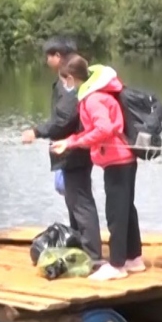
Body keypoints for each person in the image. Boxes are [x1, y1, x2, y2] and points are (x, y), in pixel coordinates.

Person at [50, 55, 144, 281]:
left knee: (116, 213)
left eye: (65, 80)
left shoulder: (92, 99)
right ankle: (134, 258)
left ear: (71, 78)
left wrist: (76, 142)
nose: (66, 85)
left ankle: (117, 265)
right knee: (126, 209)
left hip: (117, 159)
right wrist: (71, 141)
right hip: (124, 158)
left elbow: (104, 128)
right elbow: (98, 128)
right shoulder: (99, 93)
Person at [21, 36, 102, 263]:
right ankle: (82, 247)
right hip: (68, 151)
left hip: (75, 152)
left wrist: (36, 132)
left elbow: (64, 118)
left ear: (58, 56)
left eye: (49, 55)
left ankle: (93, 255)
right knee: (74, 201)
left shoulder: (70, 83)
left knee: (81, 203)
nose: (46, 59)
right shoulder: (65, 81)